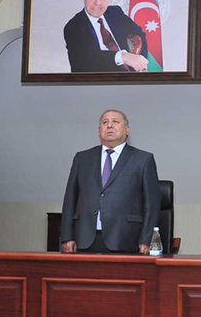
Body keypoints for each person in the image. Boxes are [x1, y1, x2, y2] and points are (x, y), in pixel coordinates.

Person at [60, 109, 160, 254]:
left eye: (115, 121)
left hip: (125, 238)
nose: (109, 125)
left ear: (127, 130)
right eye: (105, 122)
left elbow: (152, 203)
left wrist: (146, 238)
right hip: (85, 238)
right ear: (99, 130)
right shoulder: (82, 159)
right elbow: (70, 199)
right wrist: (67, 236)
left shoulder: (143, 160)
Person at [64, 0, 149, 72]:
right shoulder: (73, 27)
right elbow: (88, 60)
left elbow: (139, 34)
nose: (97, 3)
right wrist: (123, 56)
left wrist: (140, 63)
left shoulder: (115, 12)